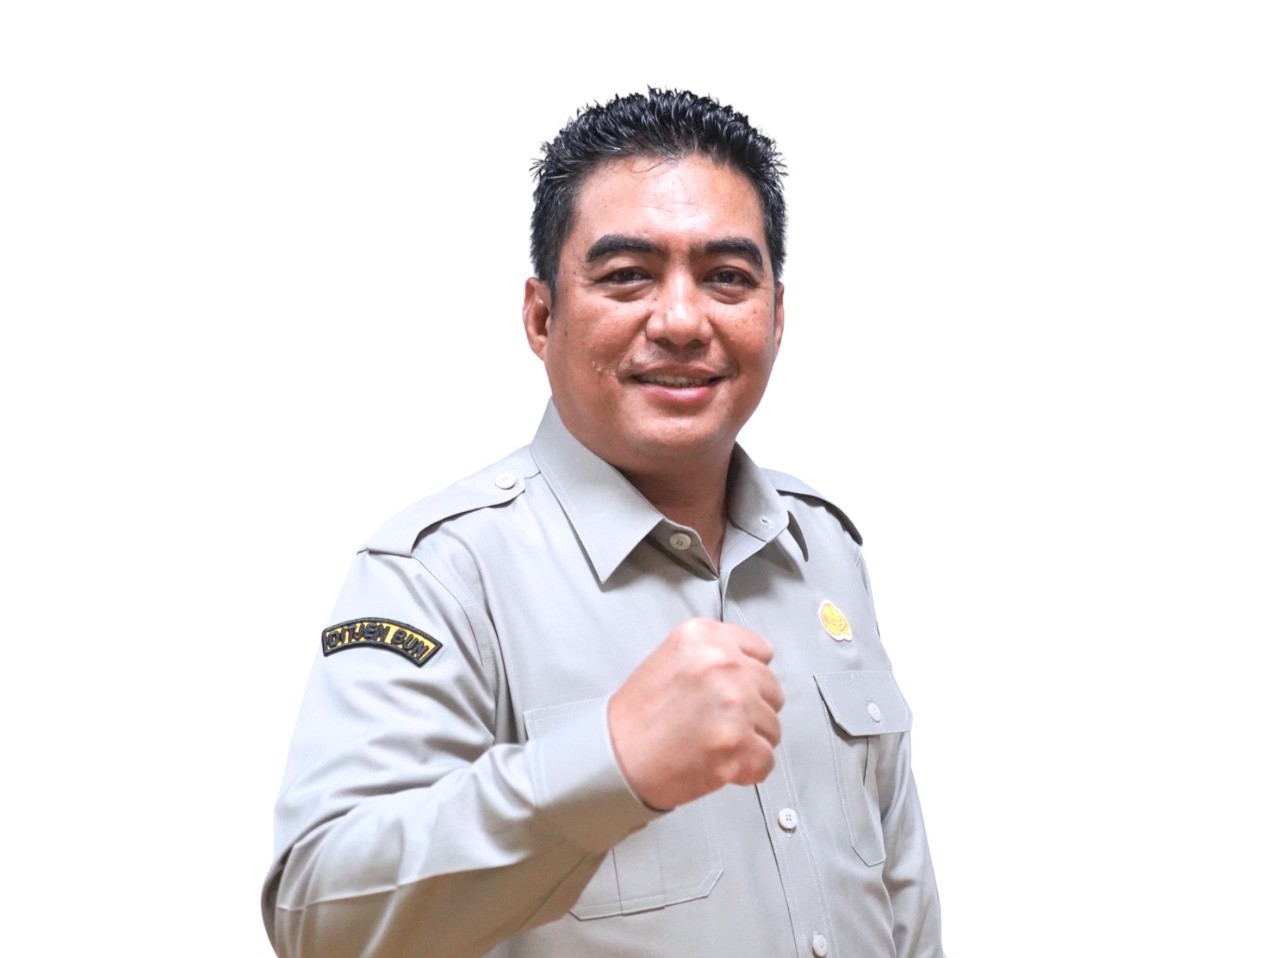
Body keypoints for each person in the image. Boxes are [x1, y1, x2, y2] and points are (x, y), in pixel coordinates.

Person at [263, 89, 946, 958]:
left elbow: (900, 898)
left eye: (727, 278)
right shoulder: (441, 574)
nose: (682, 320)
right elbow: (320, 917)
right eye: (626, 275)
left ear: (776, 315)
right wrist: (610, 761)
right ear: (541, 316)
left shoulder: (823, 550)